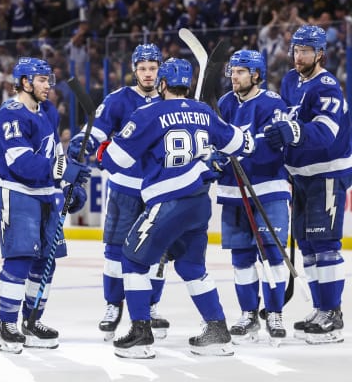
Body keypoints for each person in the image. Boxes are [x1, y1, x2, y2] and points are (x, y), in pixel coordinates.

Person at [98, 57, 255, 359]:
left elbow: (115, 160)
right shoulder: (204, 112)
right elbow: (243, 145)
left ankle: (141, 334)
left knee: (132, 260)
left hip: (168, 200)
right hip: (199, 202)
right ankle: (217, 331)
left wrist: (103, 150)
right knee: (191, 267)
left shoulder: (149, 113)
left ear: (163, 83)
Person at [67, 44, 170, 341]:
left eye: (153, 68)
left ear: (160, 70)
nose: (148, 74)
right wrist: (81, 143)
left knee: (158, 253)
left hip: (159, 190)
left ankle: (149, 307)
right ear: (134, 70)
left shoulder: (169, 99)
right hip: (124, 188)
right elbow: (97, 130)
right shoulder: (118, 99)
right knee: (114, 251)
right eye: (143, 68)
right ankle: (113, 305)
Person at [0, 57, 91, 354]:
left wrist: (65, 185)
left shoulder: (47, 111)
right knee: (20, 259)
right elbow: (21, 163)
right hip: (17, 191)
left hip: (45, 193)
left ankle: (32, 321)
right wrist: (61, 171)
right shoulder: (9, 115)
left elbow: (52, 153)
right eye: (43, 80)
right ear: (25, 82)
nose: (50, 85)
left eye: (50, 79)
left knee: (46, 263)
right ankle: (7, 324)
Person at [264, 25, 352, 344]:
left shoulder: (327, 86)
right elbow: (286, 121)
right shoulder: (291, 81)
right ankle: (320, 309)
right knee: (308, 246)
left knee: (325, 244)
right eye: (296, 49)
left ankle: (333, 313)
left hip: (328, 173)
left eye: (306, 50)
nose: (299, 55)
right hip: (301, 176)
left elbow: (325, 133)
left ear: (320, 54)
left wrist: (294, 133)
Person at [215, 50, 290, 346]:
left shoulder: (272, 103)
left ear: (256, 74)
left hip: (268, 189)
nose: (235, 77)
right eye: (233, 71)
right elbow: (214, 140)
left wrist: (240, 146)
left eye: (241, 72)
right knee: (242, 259)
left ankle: (274, 313)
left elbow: (272, 144)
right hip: (233, 192)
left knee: (272, 255)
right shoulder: (224, 104)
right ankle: (248, 314)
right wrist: (215, 157)